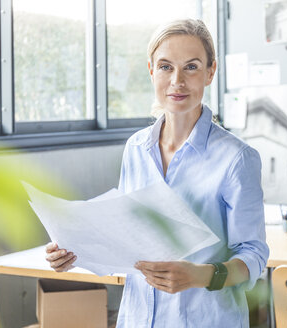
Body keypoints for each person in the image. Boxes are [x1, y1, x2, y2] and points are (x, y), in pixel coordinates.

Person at [45, 19, 269, 327]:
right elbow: (124, 234)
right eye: (165, 67)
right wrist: (75, 251)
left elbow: (254, 256)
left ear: (210, 72)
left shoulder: (237, 158)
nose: (177, 80)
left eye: (191, 67)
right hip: (137, 317)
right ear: (151, 70)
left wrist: (201, 275)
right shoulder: (136, 148)